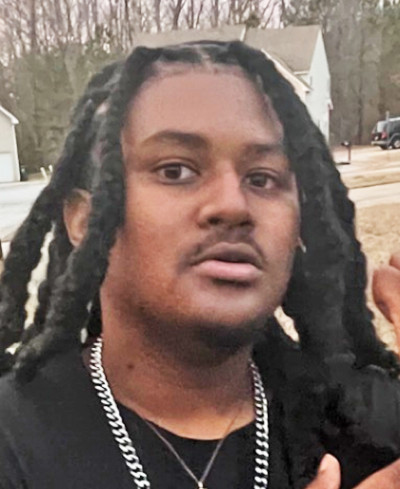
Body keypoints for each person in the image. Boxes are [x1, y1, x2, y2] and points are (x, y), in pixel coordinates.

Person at [0, 41, 399, 489]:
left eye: (262, 178)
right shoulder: (15, 441)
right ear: (86, 222)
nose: (233, 205)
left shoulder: (366, 432)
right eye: (176, 171)